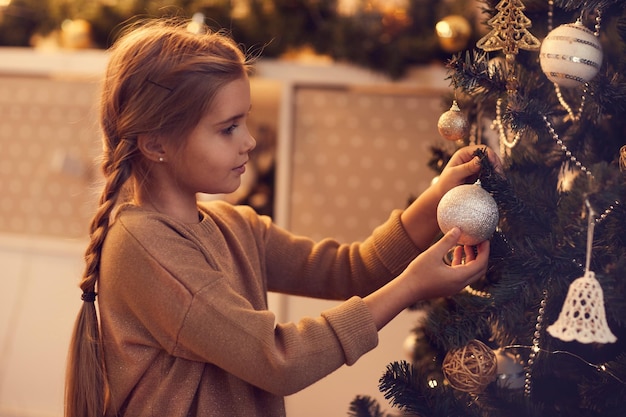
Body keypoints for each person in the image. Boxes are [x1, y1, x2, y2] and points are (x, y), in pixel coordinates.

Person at [64, 18, 500, 417]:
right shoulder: (146, 249)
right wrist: (411, 287)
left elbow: (350, 271)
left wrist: (435, 200)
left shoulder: (235, 227)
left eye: (245, 121)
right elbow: (279, 359)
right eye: (228, 128)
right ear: (156, 143)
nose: (249, 141)